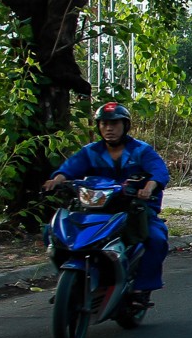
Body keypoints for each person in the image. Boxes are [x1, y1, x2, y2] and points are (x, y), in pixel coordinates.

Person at [42, 101, 170, 308]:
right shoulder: (90, 151)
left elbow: (159, 171)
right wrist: (57, 179)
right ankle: (69, 281)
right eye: (104, 124)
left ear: (125, 126)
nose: (109, 129)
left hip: (133, 209)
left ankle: (140, 289)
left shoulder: (141, 150)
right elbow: (69, 168)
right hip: (94, 209)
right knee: (52, 232)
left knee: (156, 238)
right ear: (98, 127)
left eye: (115, 124)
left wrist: (149, 187)